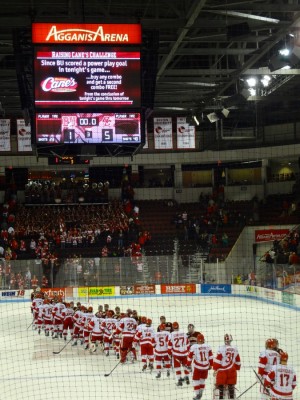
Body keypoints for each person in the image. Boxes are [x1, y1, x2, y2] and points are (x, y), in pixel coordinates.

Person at [213, 333, 241, 399]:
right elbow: (238, 361)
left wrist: (215, 369)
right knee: (231, 386)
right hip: (232, 370)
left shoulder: (221, 348)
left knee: (221, 386)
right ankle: (231, 398)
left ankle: (221, 398)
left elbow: (218, 360)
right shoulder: (235, 348)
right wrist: (237, 367)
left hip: (222, 371)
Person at [186, 333, 213, 400]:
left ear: (197, 340)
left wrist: (188, 364)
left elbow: (189, 357)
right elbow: (211, 357)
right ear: (203, 340)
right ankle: (201, 392)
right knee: (202, 380)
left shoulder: (194, 347)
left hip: (198, 367)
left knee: (195, 380)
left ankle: (197, 394)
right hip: (205, 367)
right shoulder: (208, 346)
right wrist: (211, 365)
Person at [168, 321, 190, 386]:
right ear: (178, 326)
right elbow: (188, 344)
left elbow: (169, 345)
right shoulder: (183, 333)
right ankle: (187, 377)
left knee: (177, 367)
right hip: (184, 353)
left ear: (172, 327)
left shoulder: (171, 334)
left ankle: (179, 380)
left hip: (176, 354)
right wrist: (188, 351)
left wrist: (169, 353)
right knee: (185, 366)